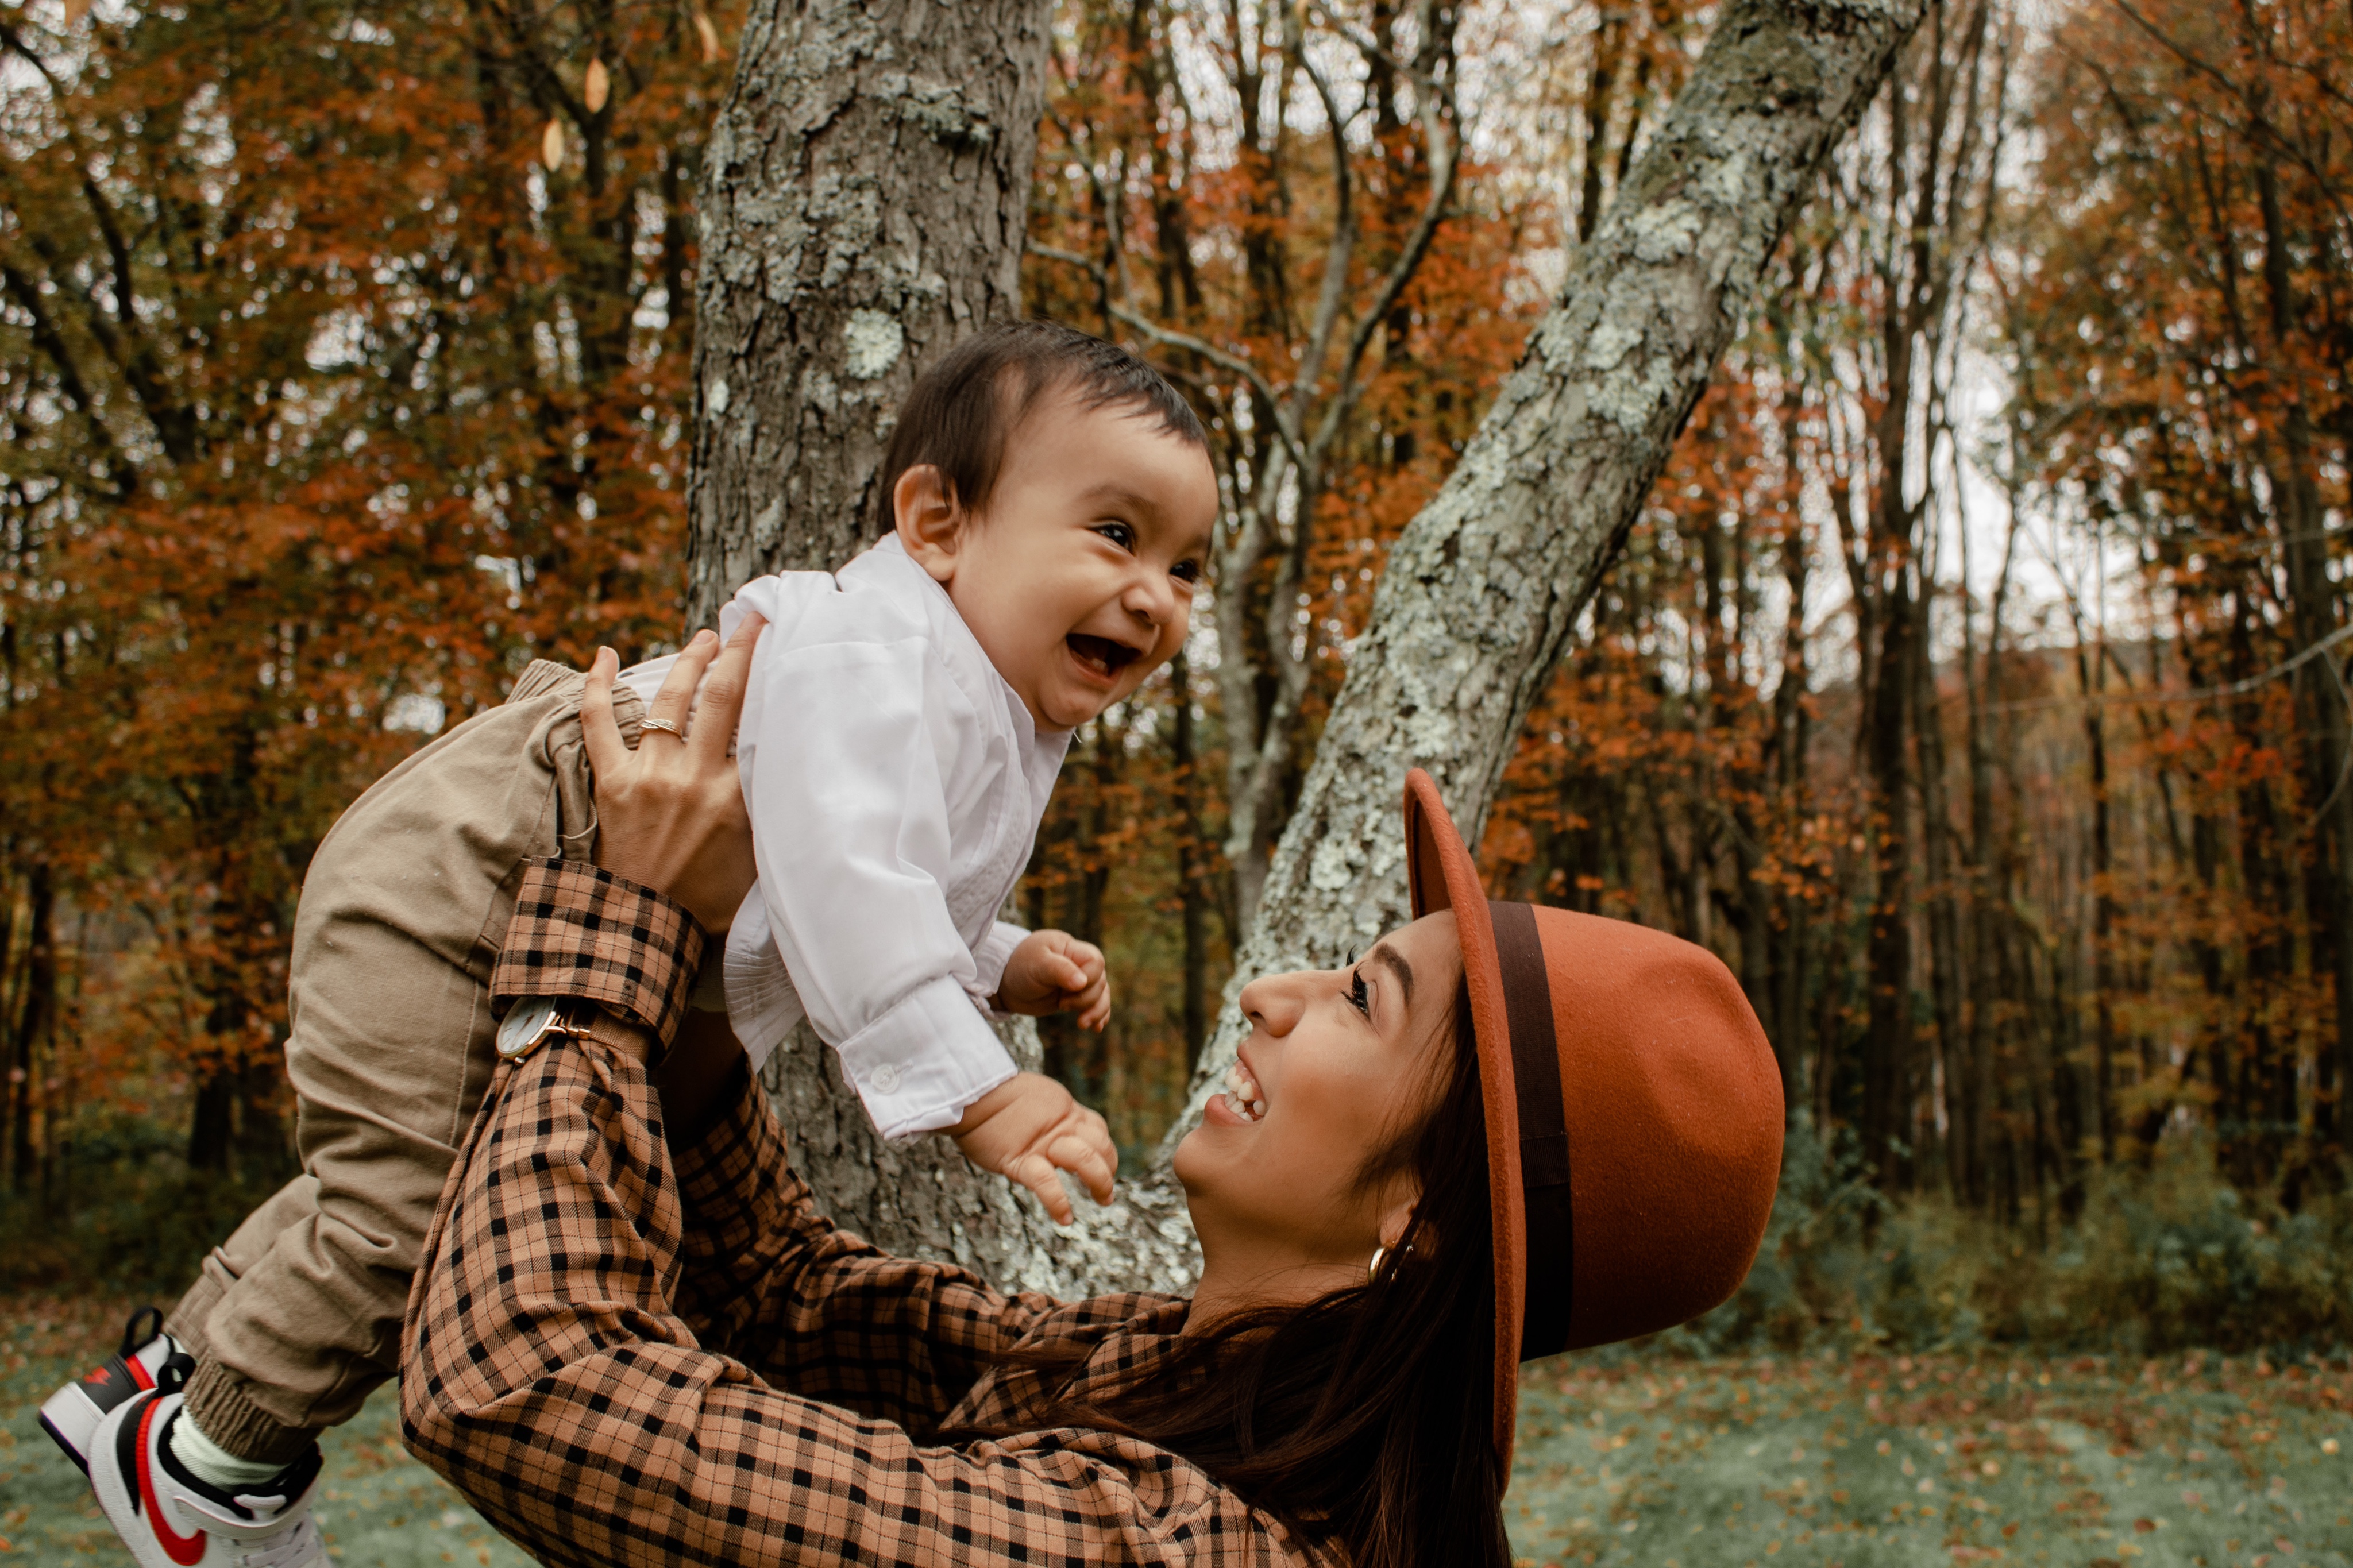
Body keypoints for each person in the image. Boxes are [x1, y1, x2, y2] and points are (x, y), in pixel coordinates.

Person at [43, 321, 1222, 1568]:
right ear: (935, 524)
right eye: (1114, 533)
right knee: (414, 1214)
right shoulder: (878, 648)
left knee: (412, 1170)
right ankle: (208, 1468)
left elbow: (876, 871)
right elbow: (840, 872)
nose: (1154, 593)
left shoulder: (988, 700)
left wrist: (999, 955)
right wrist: (982, 1091)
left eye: (1187, 566)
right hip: (481, 865)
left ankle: (154, 1385)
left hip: (531, 879)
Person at [382, 629, 1771, 1565]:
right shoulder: (1176, 1371)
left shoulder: (1181, 1543)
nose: (1274, 993)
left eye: (1361, 1001)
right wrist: (720, 935)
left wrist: (609, 936)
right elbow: (778, 1302)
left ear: (1418, 1218)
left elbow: (526, 1386)